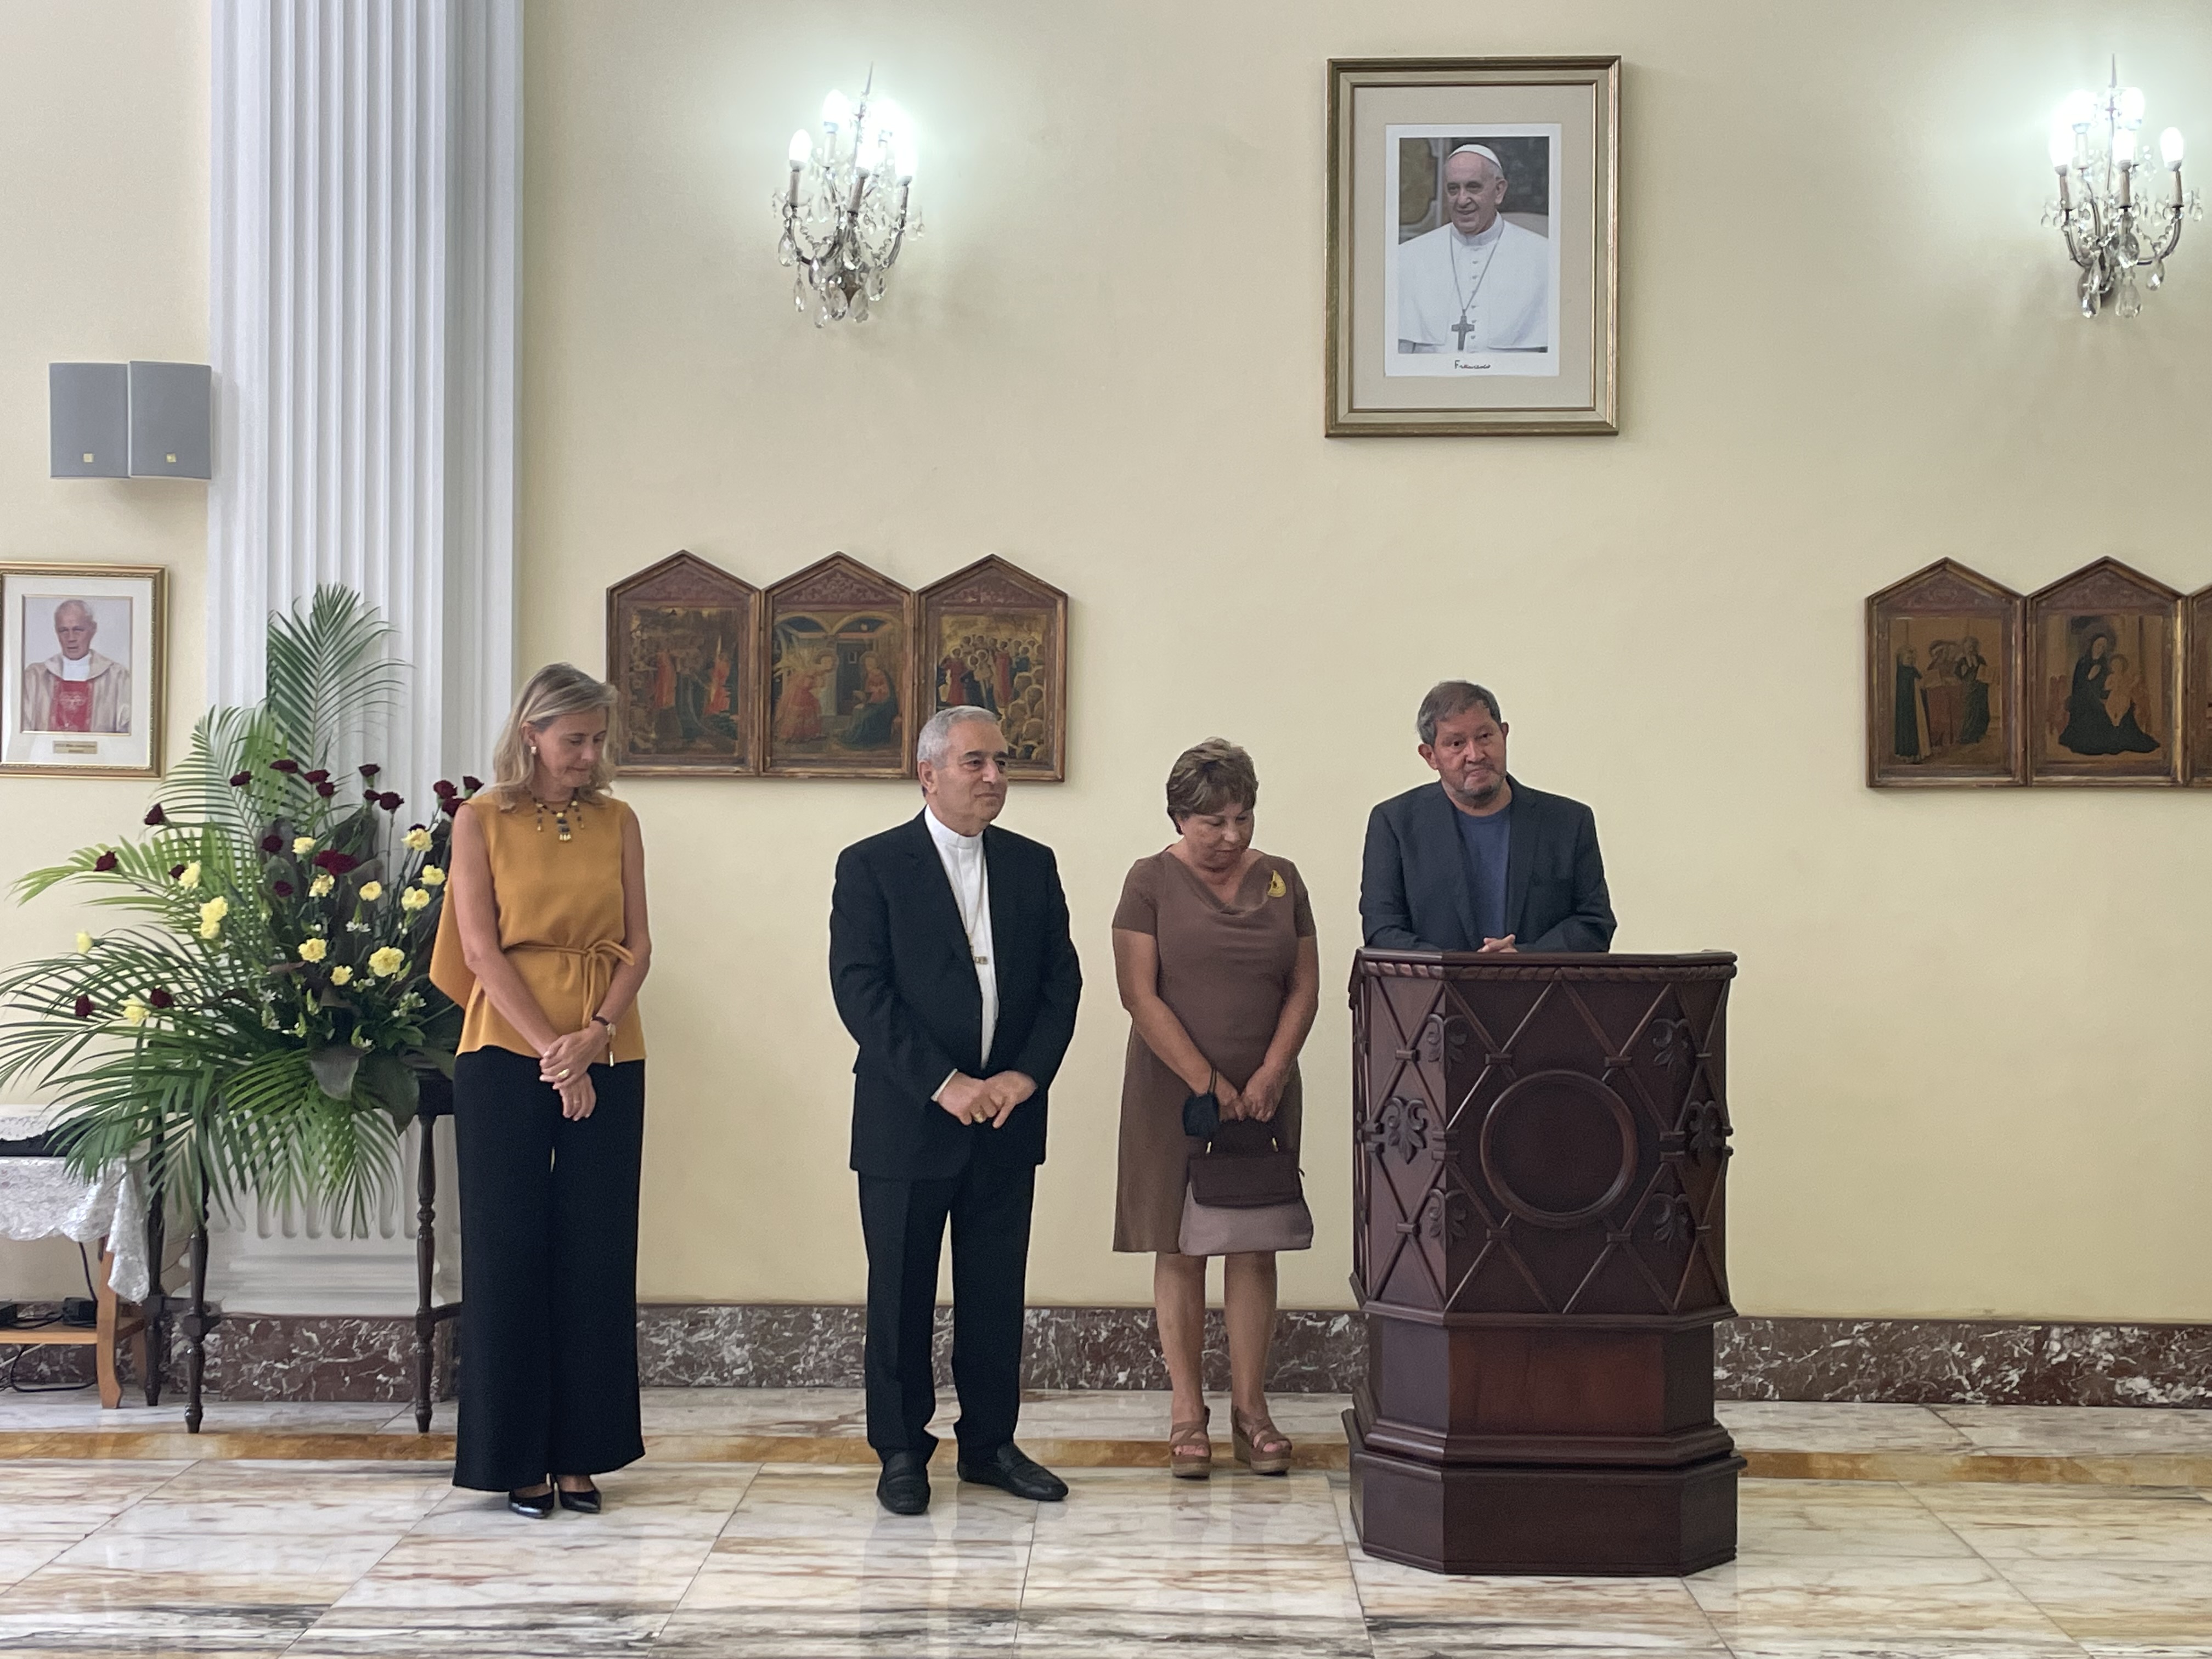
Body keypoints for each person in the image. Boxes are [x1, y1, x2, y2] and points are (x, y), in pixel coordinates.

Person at [829, 706, 1083, 1515]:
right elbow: (860, 990)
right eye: (977, 763)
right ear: (929, 773)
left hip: (1007, 1117)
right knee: (900, 1292)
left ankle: (991, 1445)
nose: (996, 778)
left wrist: (1022, 1077)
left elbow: (1060, 985)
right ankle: (901, 1450)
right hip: (908, 1117)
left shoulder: (1033, 865)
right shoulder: (871, 865)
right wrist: (946, 1083)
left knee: (994, 1289)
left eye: (1002, 762)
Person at [430, 663, 652, 1519]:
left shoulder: (620, 820)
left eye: (599, 741)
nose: (590, 756)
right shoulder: (480, 818)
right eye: (575, 740)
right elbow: (479, 951)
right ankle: (515, 1456)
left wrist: (593, 1038)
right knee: (509, 1254)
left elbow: (638, 943)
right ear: (533, 733)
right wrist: (551, 1054)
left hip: (609, 1047)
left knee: (595, 1254)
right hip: (503, 1051)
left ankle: (581, 1455)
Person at [1112, 740, 1319, 1480]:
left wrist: (1271, 1071)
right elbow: (1139, 994)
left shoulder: (1281, 881)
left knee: (1252, 1240)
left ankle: (1252, 1411)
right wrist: (1205, 1080)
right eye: (1212, 823)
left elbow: (1303, 985)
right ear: (1178, 817)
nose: (1231, 836)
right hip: (1175, 1092)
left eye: (1242, 818)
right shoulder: (1149, 882)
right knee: (1181, 1243)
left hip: (1263, 1091)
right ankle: (1186, 1414)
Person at [1361, 680, 1615, 953]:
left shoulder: (1569, 822)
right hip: (1436, 994)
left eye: (1484, 737)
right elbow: (1382, 931)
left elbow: (1594, 924)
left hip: (1543, 991)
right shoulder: (1395, 824)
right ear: (1430, 756)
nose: (1475, 754)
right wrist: (1462, 972)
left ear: (1504, 735)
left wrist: (1524, 959)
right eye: (1456, 743)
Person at [1396, 145, 1551, 356]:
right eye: (1453, 189)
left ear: (1499, 191)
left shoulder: (1545, 257)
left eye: (1473, 187)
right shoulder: (1407, 258)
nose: (1462, 200)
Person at [20, 599, 130, 733]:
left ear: (93, 629)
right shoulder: (34, 678)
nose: (71, 638)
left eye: (78, 630)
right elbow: (22, 732)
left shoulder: (117, 677)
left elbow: (128, 732)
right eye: (63, 631)